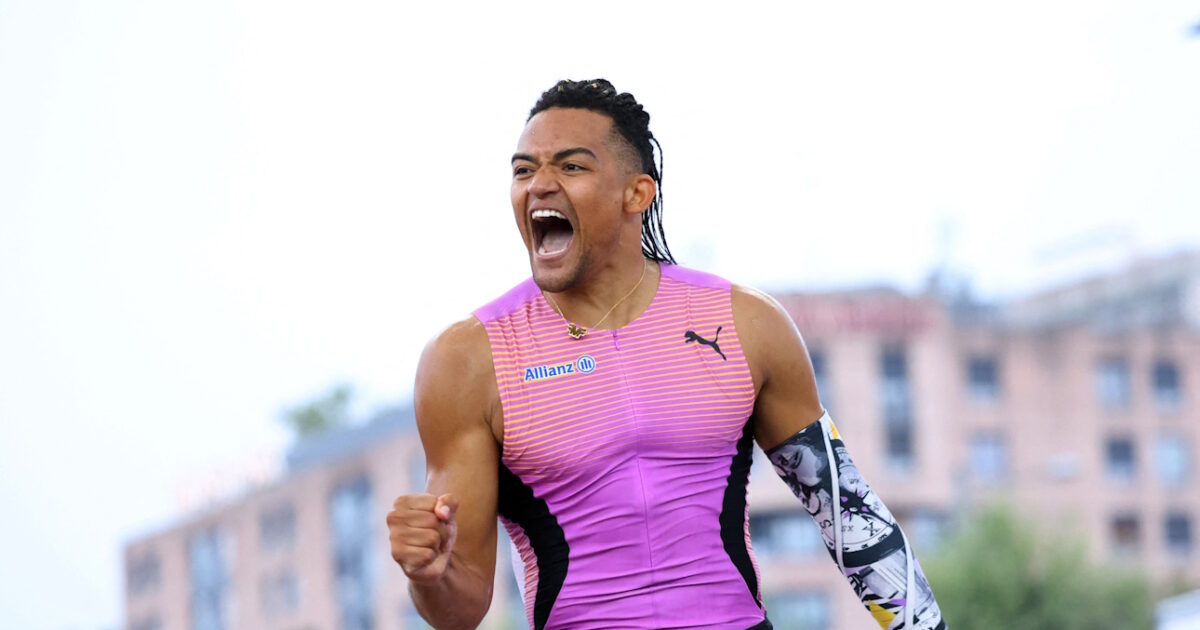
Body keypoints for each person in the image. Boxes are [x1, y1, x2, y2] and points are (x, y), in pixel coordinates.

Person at [387, 79, 946, 630]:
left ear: (637, 193)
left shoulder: (747, 323)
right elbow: (460, 611)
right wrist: (429, 573)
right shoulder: (468, 360)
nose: (540, 185)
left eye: (571, 166)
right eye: (523, 170)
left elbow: (850, 517)